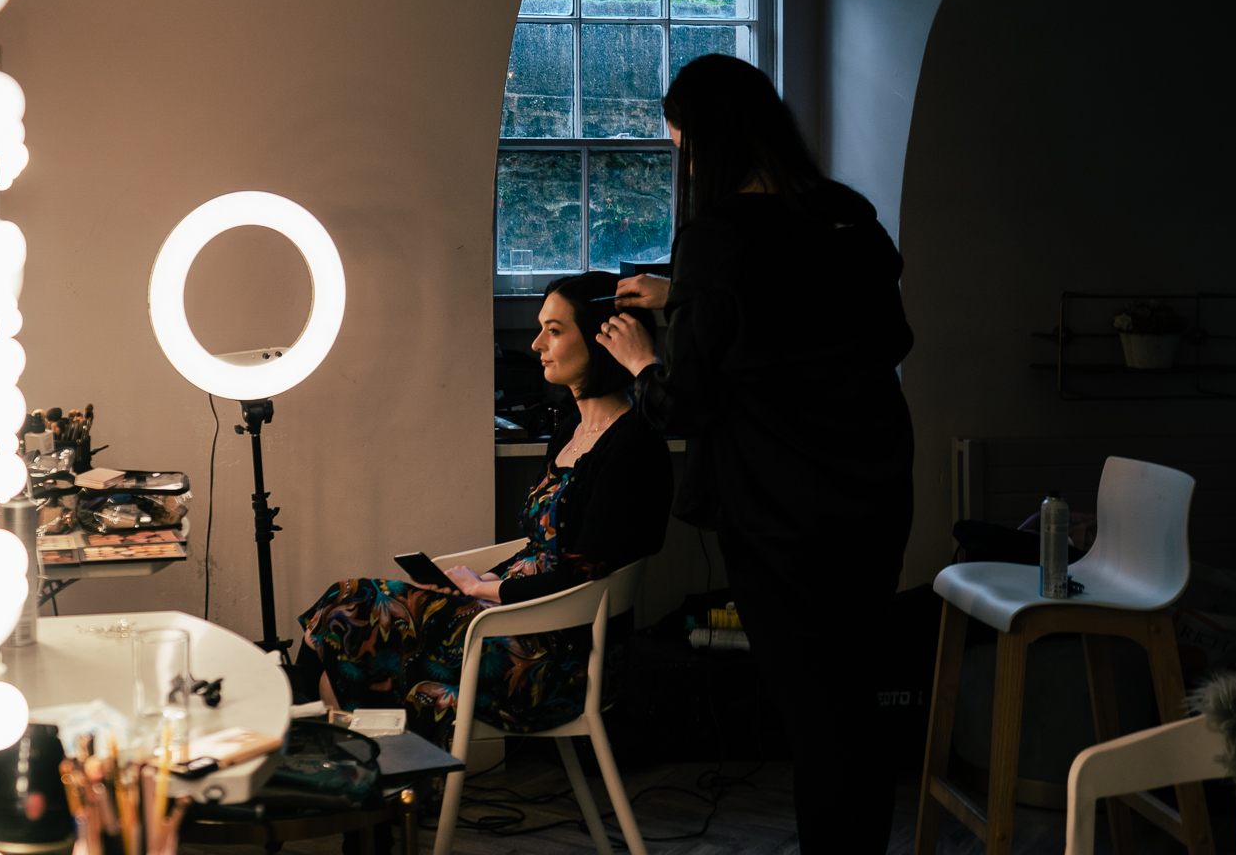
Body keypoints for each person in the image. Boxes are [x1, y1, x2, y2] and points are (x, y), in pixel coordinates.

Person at [595, 54, 914, 855]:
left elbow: (689, 402)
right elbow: (846, 324)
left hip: (782, 513)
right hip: (873, 493)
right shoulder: (844, 215)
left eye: (686, 149)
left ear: (712, 143)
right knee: (854, 699)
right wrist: (689, 300)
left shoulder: (718, 237)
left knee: (817, 718)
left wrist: (642, 358)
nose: (687, 165)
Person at [291, 272, 671, 741]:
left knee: (351, 608)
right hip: (515, 622)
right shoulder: (571, 428)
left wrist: (488, 591)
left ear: (606, 340)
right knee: (348, 614)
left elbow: (580, 571)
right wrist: (489, 578)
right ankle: (354, 770)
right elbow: (541, 546)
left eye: (554, 330)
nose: (536, 344)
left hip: (557, 656)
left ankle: (323, 759)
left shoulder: (633, 443)